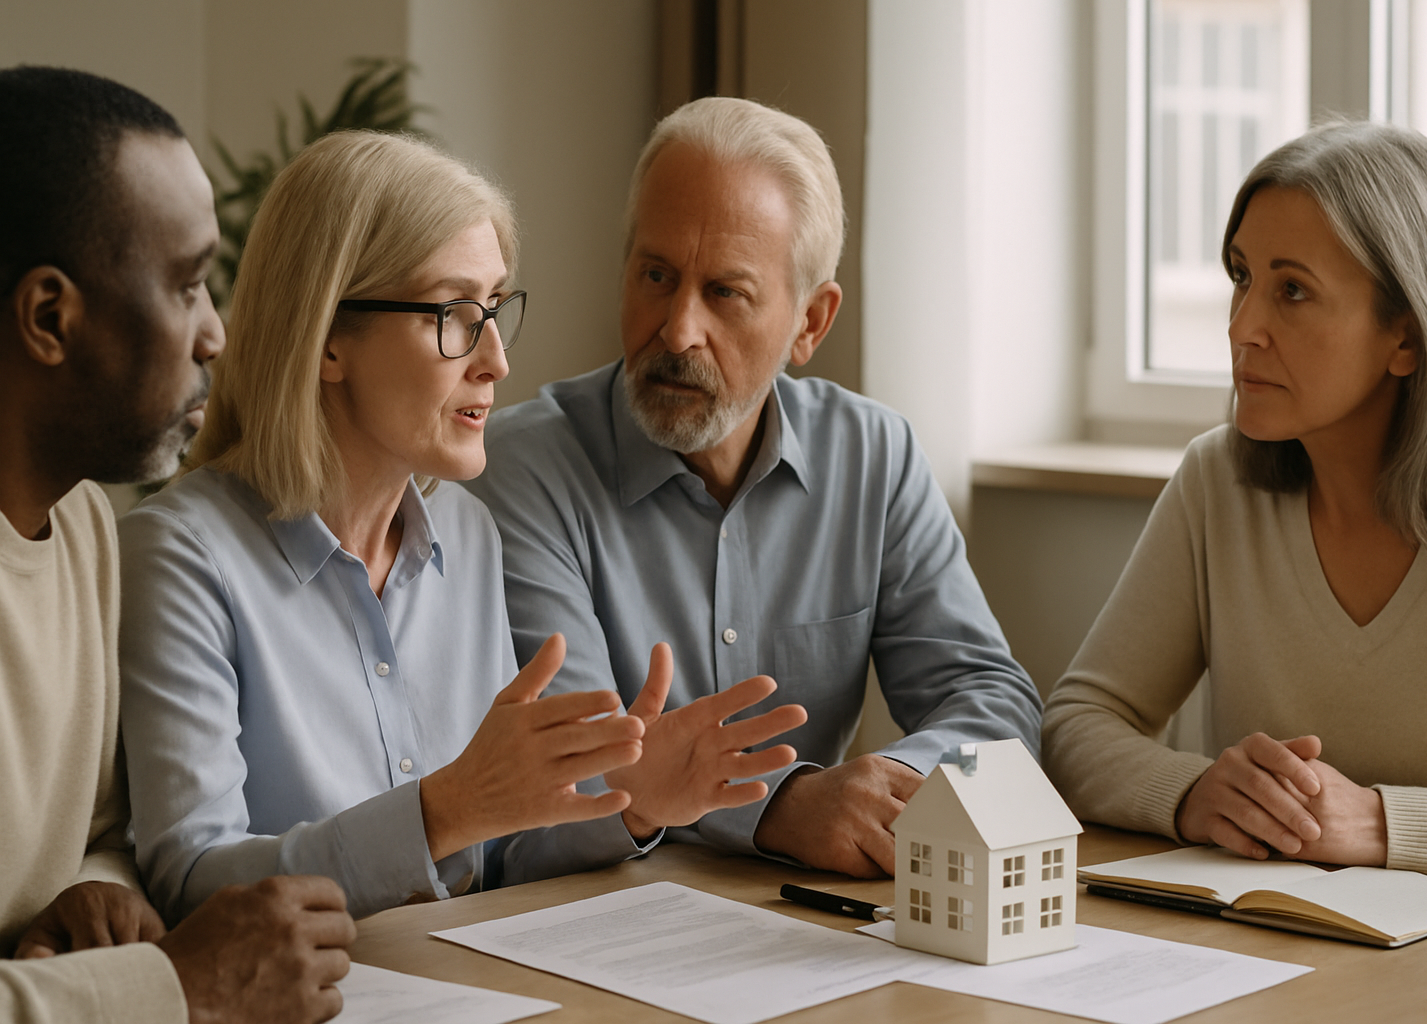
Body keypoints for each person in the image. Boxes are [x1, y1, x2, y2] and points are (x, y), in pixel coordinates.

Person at [117, 128, 806, 924]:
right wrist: (440, 812)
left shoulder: (468, 537)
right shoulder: (180, 555)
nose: (494, 361)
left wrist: (633, 798)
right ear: (329, 338)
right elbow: (192, 880)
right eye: (452, 314)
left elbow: (498, 853)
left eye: (493, 310)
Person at [464, 97, 1041, 879]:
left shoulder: (875, 454)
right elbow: (576, 771)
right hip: (602, 926)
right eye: (656, 276)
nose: (676, 331)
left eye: (725, 292)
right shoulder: (523, 470)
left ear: (811, 322)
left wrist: (892, 788)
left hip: (810, 927)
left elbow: (990, 697)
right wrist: (782, 803)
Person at [1042, 121, 1427, 884]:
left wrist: (1379, 823)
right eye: (1241, 277)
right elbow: (1077, 725)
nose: (1242, 329)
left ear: (1406, 336)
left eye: (1293, 291)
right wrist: (1193, 793)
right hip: (1268, 955)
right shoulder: (1215, 482)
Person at [0, 66, 353, 1024]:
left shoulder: (80, 525)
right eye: (189, 285)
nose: (217, 336)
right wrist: (177, 989)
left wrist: (93, 889)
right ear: (49, 318)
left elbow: (98, 830)